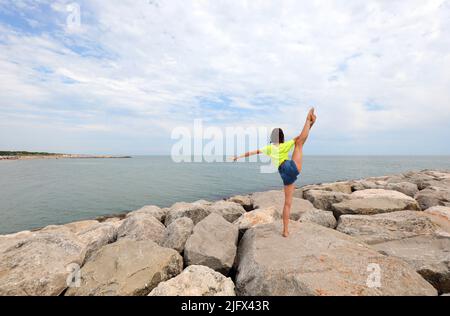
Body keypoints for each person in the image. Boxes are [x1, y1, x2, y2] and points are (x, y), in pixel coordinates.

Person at [232, 108, 317, 237]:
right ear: (282, 137)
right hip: (291, 167)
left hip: (284, 174)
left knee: (287, 203)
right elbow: (301, 137)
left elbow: (252, 153)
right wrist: (310, 124)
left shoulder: (269, 148)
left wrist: (237, 157)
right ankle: (308, 120)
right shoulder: (285, 144)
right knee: (299, 143)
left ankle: (285, 230)